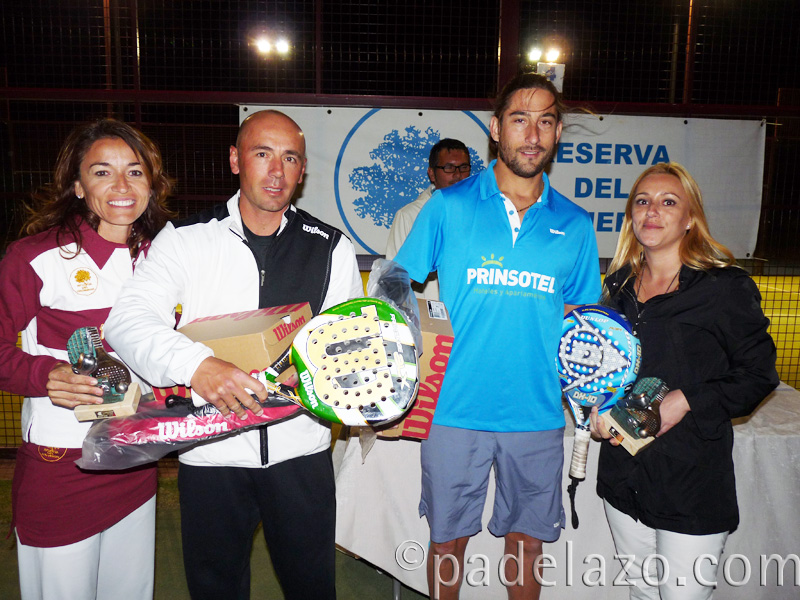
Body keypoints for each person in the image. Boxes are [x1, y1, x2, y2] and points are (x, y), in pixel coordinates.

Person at [104, 110, 363, 600]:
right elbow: (128, 321)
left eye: (290, 158)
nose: (277, 171)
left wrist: (317, 372)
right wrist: (197, 366)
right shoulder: (185, 238)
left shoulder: (332, 247)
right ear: (235, 160)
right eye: (262, 154)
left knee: (312, 588)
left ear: (303, 170)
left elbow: (345, 345)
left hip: (301, 455)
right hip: (210, 455)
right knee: (215, 588)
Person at [392, 73, 601, 599]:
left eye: (545, 121)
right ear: (495, 129)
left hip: (536, 413)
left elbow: (582, 320)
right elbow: (396, 278)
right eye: (519, 119)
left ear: (557, 133)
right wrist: (399, 348)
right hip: (452, 408)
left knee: (528, 545)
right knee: (447, 542)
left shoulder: (576, 224)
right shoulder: (450, 205)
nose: (532, 134)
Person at [0, 118, 174, 599]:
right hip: (64, 465)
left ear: (151, 184)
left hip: (135, 459)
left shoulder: (162, 258)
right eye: (102, 172)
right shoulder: (33, 258)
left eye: (135, 172)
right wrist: (45, 374)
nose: (122, 186)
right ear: (77, 186)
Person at [589, 162, 779, 600]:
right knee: (640, 593)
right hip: (623, 476)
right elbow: (606, 368)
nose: (652, 211)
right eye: (642, 201)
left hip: (690, 481)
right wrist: (596, 408)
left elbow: (759, 375)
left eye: (668, 202)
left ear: (690, 218)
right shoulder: (618, 287)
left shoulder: (723, 287)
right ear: (630, 216)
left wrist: (687, 398)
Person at [385, 138, 471, 300]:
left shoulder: (481, 213)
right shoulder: (408, 216)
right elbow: (396, 280)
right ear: (432, 173)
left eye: (464, 167)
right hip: (425, 311)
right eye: (449, 168)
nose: (457, 175)